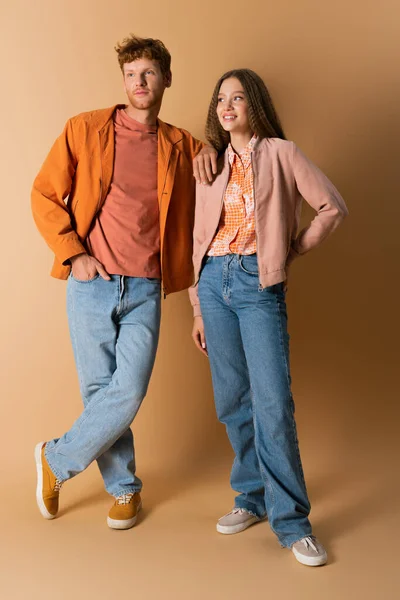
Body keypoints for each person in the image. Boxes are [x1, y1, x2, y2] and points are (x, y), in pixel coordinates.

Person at [32, 34, 216, 530]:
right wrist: (75, 253)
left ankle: (55, 459)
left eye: (149, 73)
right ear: (123, 80)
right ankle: (125, 490)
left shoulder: (183, 146)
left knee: (127, 390)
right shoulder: (85, 129)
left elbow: (225, 173)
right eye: (131, 73)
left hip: (144, 288)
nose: (139, 82)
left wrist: (210, 157)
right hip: (91, 282)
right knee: (100, 392)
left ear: (166, 79)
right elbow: (45, 194)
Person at [189, 69, 348, 566]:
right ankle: (251, 499)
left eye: (238, 97)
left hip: (259, 287)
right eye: (221, 99)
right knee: (233, 400)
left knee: (272, 404)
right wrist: (196, 305)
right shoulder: (208, 164)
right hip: (213, 283)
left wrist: (291, 249)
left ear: (255, 103)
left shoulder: (283, 153)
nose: (227, 105)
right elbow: (195, 239)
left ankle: (293, 522)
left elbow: (331, 206)